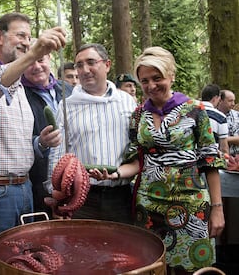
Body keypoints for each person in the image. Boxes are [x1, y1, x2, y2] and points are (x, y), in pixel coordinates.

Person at [94, 46, 225, 274]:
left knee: (192, 268)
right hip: (149, 206)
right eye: (144, 81)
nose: (151, 86)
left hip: (190, 207)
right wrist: (114, 173)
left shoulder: (194, 110)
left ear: (171, 76)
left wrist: (217, 208)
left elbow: (210, 161)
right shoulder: (138, 115)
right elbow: (137, 161)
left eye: (157, 78)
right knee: (153, 267)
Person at [0, 12, 65, 275]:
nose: (27, 43)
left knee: (23, 264)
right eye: (21, 35)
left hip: (24, 188)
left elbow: (16, 144)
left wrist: (39, 143)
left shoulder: (19, 82)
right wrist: (33, 53)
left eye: (30, 38)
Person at [47, 43, 137, 223]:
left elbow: (136, 147)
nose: (85, 70)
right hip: (82, 199)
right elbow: (57, 153)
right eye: (79, 65)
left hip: (120, 197)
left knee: (122, 247)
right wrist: (56, 196)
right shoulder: (67, 105)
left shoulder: (127, 102)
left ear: (107, 65)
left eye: (91, 62)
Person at [21, 41, 66, 217]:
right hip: (37, 181)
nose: (37, 66)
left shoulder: (67, 90)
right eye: (30, 61)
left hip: (71, 178)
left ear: (50, 59)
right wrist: (39, 143)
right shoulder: (19, 94)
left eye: (41, 60)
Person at [201, 84, 229, 154]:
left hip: (189, 158)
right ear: (215, 98)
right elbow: (224, 147)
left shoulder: (189, 112)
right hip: (210, 158)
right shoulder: (220, 117)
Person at [217, 89, 239, 156]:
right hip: (217, 159)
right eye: (230, 101)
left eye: (234, 100)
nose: (233, 104)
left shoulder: (237, 116)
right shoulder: (212, 116)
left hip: (236, 158)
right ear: (220, 100)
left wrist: (223, 139)